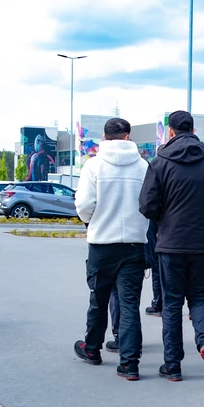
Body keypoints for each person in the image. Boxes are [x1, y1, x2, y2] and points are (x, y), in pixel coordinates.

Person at [139, 111, 204, 382]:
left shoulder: (159, 163)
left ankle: (173, 365)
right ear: (193, 130)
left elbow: (147, 205)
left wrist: (164, 218)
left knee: (171, 303)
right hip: (203, 242)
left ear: (171, 132)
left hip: (171, 243)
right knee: (199, 297)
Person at [73, 118, 150, 381]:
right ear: (128, 136)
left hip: (101, 243)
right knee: (129, 304)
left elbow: (84, 204)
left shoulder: (93, 165)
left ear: (105, 137)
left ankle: (92, 349)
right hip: (134, 244)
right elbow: (150, 203)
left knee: (98, 299)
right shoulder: (143, 166)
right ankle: (130, 364)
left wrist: (92, 220)